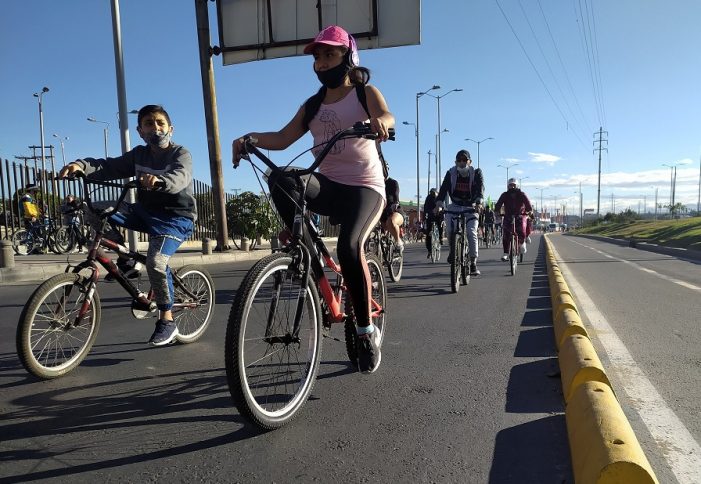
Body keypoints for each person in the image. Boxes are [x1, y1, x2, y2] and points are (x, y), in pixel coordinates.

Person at [231, 25, 394, 374]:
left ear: (348, 57)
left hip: (365, 188)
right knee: (282, 178)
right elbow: (283, 137)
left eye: (329, 54)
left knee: (350, 248)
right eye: (317, 56)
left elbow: (387, 116)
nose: (321, 62)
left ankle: (365, 331)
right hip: (329, 184)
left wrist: (380, 123)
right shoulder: (313, 105)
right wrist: (250, 138)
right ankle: (303, 252)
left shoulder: (364, 93)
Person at [59, 104, 197, 347]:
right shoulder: (138, 155)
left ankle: (167, 318)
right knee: (92, 208)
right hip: (145, 212)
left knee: (155, 262)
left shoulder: (180, 154)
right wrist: (81, 165)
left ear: (170, 129)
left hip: (176, 218)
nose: (155, 128)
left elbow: (180, 177)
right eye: (148, 124)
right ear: (140, 131)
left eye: (160, 123)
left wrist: (159, 181)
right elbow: (108, 166)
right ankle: (127, 261)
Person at [434, 149, 484, 275]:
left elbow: (480, 188)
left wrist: (479, 202)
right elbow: (443, 189)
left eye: (464, 160)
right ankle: (453, 251)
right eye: (459, 160)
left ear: (470, 162)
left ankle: (473, 262)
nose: (462, 163)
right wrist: (439, 204)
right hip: (455, 206)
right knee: (450, 229)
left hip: (471, 207)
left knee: (471, 232)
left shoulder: (476, 173)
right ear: (455, 162)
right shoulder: (450, 173)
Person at [495, 178, 533, 261]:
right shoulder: (504, 195)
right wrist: (497, 211)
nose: (512, 187)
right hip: (508, 216)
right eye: (510, 185)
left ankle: (522, 243)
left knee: (522, 229)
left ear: (517, 186)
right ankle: (505, 253)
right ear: (508, 186)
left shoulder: (522, 194)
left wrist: (529, 211)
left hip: (520, 215)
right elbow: (498, 204)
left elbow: (528, 204)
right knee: (506, 234)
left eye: (514, 185)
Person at [381, 176, 405, 253]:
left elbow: (396, 195)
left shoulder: (392, 183)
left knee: (391, 221)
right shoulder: (374, 183)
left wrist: (395, 203)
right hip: (381, 214)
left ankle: (398, 242)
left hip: (395, 211)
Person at [423, 187, 444, 258]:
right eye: (431, 193)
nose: (432, 194)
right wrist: (424, 217)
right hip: (431, 216)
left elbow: (442, 207)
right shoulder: (428, 198)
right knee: (428, 233)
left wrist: (441, 213)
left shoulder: (439, 198)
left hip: (438, 215)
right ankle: (429, 250)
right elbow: (425, 207)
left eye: (433, 193)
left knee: (440, 225)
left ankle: (441, 237)